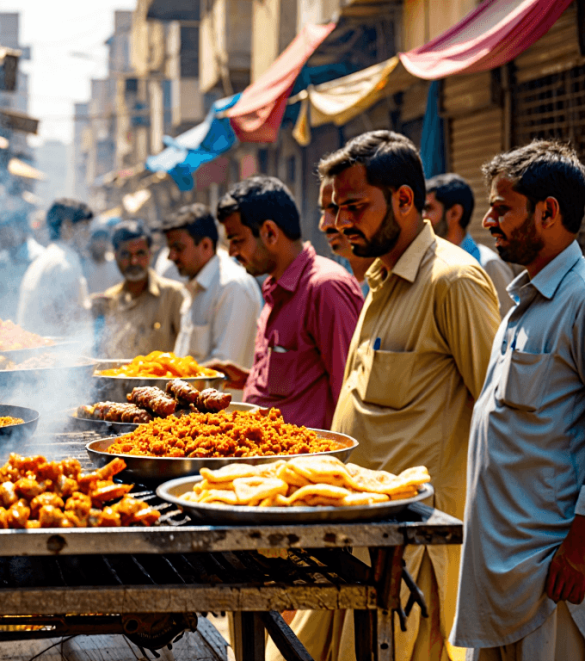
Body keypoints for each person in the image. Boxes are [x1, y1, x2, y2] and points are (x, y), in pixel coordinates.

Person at [273, 131, 500, 661]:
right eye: (336, 208)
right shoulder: (380, 279)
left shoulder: (453, 281)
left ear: (404, 200)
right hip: (351, 537)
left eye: (355, 206)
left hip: (414, 555)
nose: (343, 221)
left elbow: (499, 417)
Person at [452, 141, 585, 660]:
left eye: (502, 208)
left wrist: (577, 547)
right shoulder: (521, 304)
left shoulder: (578, 299)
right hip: (499, 576)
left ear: (548, 212)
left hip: (552, 579)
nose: (489, 221)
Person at [204, 175, 362, 430]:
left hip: (305, 465)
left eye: (237, 240)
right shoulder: (275, 289)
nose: (232, 252)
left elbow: (351, 395)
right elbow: (300, 382)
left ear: (269, 233)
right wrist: (250, 379)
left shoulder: (325, 288)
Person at [161, 203, 262, 368]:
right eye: (170, 249)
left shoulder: (232, 287)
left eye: (178, 248)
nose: (171, 257)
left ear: (206, 245)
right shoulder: (196, 285)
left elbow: (223, 371)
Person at [91, 220, 187, 358]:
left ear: (150, 254)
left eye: (140, 253)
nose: (133, 261)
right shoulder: (109, 299)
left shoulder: (173, 294)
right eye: (125, 255)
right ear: (115, 256)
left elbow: (188, 352)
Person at [425, 173, 517, 317]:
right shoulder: (429, 264)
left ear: (454, 213)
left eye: (429, 208)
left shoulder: (489, 265)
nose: (423, 216)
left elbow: (508, 328)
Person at [16, 198, 94, 340]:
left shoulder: (43, 260)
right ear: (67, 227)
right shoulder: (65, 263)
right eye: (85, 227)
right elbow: (73, 321)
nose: (89, 234)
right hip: (54, 356)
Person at [319, 176, 376, 295]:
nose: (324, 225)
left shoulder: (397, 277)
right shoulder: (329, 278)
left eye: (335, 210)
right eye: (323, 212)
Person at [0, 213, 44, 320]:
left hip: (34, 324)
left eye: (7, 230)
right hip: (5, 327)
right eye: (1, 231)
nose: (2, 235)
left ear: (22, 230)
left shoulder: (40, 258)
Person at [84, 223, 122, 294]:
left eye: (103, 239)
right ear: (91, 241)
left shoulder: (115, 267)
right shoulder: (83, 268)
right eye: (97, 239)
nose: (101, 243)